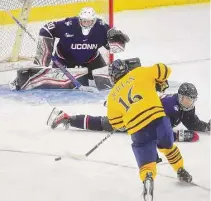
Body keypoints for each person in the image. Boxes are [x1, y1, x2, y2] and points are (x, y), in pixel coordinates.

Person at [48, 59, 193, 200]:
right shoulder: (140, 72)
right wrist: (160, 81)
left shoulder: (112, 97)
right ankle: (180, 169)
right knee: (168, 147)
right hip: (158, 119)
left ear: (112, 77)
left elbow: (117, 124)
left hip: (136, 127)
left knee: (101, 124)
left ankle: (148, 179)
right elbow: (164, 69)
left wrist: (127, 118)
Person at [11, 7, 129, 90]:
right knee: (53, 84)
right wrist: (45, 52)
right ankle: (26, 79)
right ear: (79, 19)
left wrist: (118, 40)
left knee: (106, 81)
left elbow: (113, 47)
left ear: (94, 21)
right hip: (64, 60)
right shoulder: (68, 25)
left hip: (92, 60)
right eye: (83, 21)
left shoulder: (102, 27)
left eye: (89, 21)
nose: (86, 23)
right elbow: (46, 29)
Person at [47, 82, 210, 142]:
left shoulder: (184, 106)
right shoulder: (169, 106)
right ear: (180, 97)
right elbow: (159, 134)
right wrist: (181, 136)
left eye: (191, 100)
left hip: (142, 113)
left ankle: (69, 118)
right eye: (186, 99)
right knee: (105, 123)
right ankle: (67, 117)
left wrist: (206, 127)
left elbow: (191, 122)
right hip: (136, 118)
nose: (189, 103)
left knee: (105, 122)